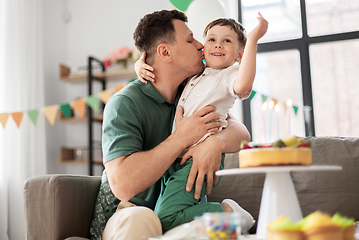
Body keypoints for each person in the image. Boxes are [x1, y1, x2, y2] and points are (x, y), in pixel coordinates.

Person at [89, 9, 251, 240]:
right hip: (134, 213)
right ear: (165, 52)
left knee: (213, 232)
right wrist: (182, 137)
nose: (200, 45)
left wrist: (214, 143)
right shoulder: (125, 103)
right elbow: (123, 186)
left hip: (184, 215)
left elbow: (241, 134)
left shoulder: (191, 91)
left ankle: (230, 221)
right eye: (190, 39)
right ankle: (229, 219)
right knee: (144, 219)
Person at [135, 13, 268, 232]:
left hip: (197, 159)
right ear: (203, 48)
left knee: (166, 217)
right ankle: (218, 229)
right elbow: (162, 67)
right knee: (169, 218)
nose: (218, 45)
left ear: (239, 55)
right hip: (176, 158)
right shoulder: (197, 75)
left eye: (227, 41)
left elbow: (243, 86)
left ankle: (228, 213)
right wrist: (139, 66)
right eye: (212, 39)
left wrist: (253, 39)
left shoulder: (229, 75)